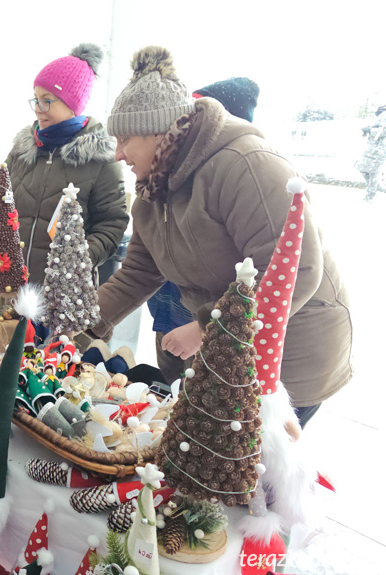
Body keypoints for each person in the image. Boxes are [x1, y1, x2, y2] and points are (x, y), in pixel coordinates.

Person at [92, 47, 351, 428]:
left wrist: (204, 329)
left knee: (251, 476)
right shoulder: (153, 193)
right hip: (230, 348)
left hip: (291, 354)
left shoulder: (244, 165)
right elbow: (136, 275)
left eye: (124, 139)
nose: (118, 154)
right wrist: (78, 321)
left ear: (158, 130)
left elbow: (297, 271)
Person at [0, 44, 128, 312]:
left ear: (73, 104)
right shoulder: (23, 151)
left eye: (47, 100)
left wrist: (77, 259)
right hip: (8, 293)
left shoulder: (101, 160)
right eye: (35, 99)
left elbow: (112, 225)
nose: (38, 109)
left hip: (63, 299)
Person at [146, 77, 260, 385]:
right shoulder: (168, 181)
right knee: (173, 390)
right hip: (172, 311)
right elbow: (141, 266)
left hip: (224, 325)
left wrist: (204, 327)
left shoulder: (241, 172)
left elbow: (278, 273)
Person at [357, 105, 386, 201]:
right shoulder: (382, 115)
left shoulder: (384, 114)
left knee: (373, 171)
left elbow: (383, 131)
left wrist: (370, 130)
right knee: (363, 168)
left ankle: (370, 195)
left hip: (380, 148)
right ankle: (377, 188)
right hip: (373, 147)